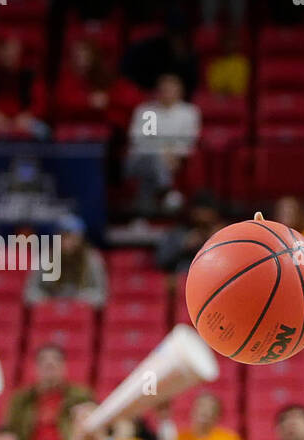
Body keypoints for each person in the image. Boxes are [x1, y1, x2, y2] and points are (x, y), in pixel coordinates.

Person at [124, 73, 201, 214]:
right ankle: (167, 192)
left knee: (151, 172)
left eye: (172, 90)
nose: (167, 93)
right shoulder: (147, 111)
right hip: (141, 159)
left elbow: (189, 140)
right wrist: (163, 153)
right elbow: (139, 141)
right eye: (164, 89)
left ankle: (144, 211)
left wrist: (175, 154)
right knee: (155, 160)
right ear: (157, 91)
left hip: (176, 159)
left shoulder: (188, 112)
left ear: (180, 92)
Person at [6, 344, 92, 440]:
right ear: (36, 367)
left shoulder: (80, 396)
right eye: (44, 361)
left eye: (55, 361)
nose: (50, 364)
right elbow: (10, 432)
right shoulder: (21, 399)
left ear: (64, 366)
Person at [23, 214, 107, 306]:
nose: (68, 242)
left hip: (82, 312)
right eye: (64, 237)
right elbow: (29, 293)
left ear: (81, 239)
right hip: (51, 312)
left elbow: (102, 295)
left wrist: (81, 300)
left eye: (72, 237)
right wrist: (48, 301)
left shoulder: (92, 259)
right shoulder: (45, 257)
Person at [0, 35, 49, 137]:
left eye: (11, 50)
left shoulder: (30, 74)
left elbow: (40, 103)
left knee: (44, 131)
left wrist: (28, 115)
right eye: (3, 50)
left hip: (24, 120)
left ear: (19, 51)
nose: (7, 55)